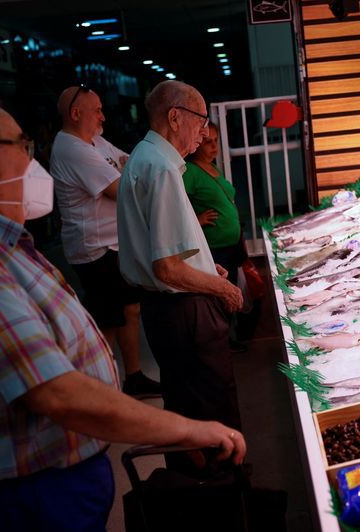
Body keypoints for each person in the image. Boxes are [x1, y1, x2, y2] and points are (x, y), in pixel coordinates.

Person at [0, 95, 245, 532]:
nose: (34, 163)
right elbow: (56, 393)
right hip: (25, 499)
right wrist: (189, 430)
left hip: (45, 489)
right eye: (23, 146)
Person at [118, 81, 244, 463]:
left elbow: (167, 252)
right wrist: (223, 290)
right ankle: (220, 490)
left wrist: (206, 267)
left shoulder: (147, 158)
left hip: (169, 310)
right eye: (201, 121)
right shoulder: (160, 169)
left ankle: (204, 483)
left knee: (187, 407)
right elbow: (168, 268)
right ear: (175, 117)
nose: (205, 132)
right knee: (211, 415)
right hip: (184, 311)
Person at [50, 85, 160, 398]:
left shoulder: (94, 141)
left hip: (113, 244)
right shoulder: (72, 148)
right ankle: (104, 388)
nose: (103, 115)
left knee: (129, 309)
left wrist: (132, 174)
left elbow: (129, 162)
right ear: (75, 114)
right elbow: (119, 189)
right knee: (108, 319)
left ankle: (133, 377)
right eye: (96, 109)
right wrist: (134, 178)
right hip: (94, 249)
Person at [183, 123, 249, 353]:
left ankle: (227, 339)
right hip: (214, 248)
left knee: (231, 292)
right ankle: (220, 343)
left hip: (230, 244)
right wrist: (197, 219)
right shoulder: (190, 171)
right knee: (218, 296)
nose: (213, 147)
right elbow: (176, 204)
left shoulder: (213, 168)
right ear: (197, 144)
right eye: (207, 142)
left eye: (216, 141)